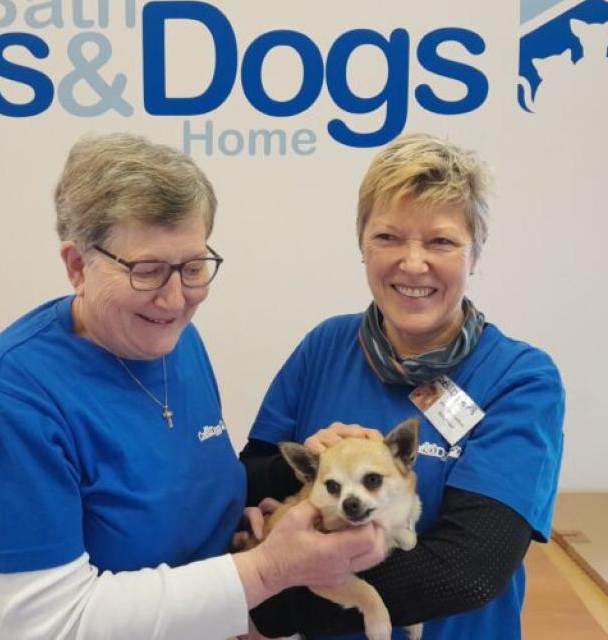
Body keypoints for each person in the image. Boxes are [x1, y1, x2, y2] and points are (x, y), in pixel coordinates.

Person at [0, 132, 386, 640]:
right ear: (76, 265)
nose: (176, 299)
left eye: (194, 267)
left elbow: (177, 488)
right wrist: (266, 571)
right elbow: (50, 626)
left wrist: (270, 509)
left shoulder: (175, 341)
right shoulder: (8, 402)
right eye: (147, 271)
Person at [242, 133, 565, 640]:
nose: (413, 264)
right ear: (362, 245)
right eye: (388, 237)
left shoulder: (519, 380)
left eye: (441, 241)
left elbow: (466, 571)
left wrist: (271, 602)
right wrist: (306, 469)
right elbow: (250, 479)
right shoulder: (325, 346)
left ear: (474, 253)